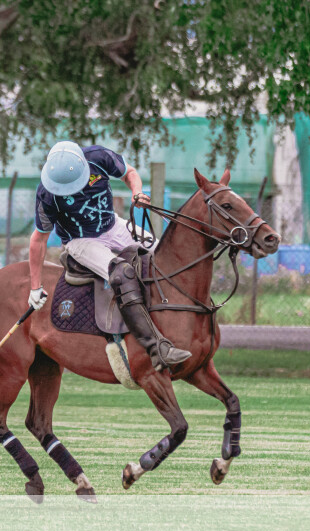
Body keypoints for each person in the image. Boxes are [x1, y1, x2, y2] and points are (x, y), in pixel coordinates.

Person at [27, 140, 191, 370]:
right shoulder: (47, 194)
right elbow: (38, 240)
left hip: (113, 226)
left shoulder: (98, 157)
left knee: (164, 257)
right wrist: (35, 287)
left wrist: (137, 193)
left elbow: (130, 173)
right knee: (121, 273)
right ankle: (156, 349)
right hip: (80, 240)